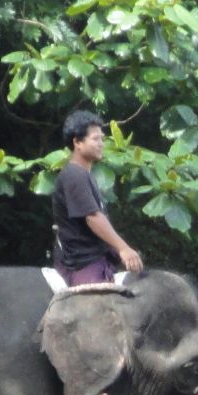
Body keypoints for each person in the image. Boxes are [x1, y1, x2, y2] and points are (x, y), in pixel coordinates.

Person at [52, 110, 144, 286]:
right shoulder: (74, 175)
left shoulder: (86, 174)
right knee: (100, 311)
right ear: (77, 142)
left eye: (102, 139)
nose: (101, 144)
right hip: (82, 264)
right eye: (95, 139)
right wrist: (123, 248)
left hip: (96, 258)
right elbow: (93, 218)